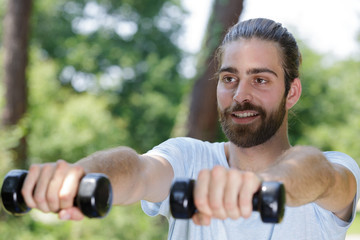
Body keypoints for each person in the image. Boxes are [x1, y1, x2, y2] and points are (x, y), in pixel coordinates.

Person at [21, 18, 359, 239]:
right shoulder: (188, 158)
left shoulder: (336, 169)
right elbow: (136, 170)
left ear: (292, 92)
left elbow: (317, 175)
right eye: (229, 78)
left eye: (260, 79)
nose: (240, 95)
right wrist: (80, 175)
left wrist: (261, 187)